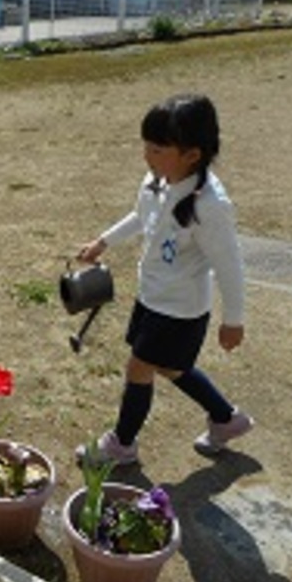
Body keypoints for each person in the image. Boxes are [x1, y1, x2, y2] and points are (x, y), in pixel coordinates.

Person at [73, 94, 253, 466]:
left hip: (180, 308)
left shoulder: (211, 205)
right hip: (152, 295)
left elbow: (229, 264)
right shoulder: (158, 179)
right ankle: (226, 418)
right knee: (171, 367)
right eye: (146, 146)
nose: (147, 156)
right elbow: (141, 216)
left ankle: (121, 444)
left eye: (157, 149)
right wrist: (103, 242)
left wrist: (233, 319)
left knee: (139, 366)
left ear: (192, 154)